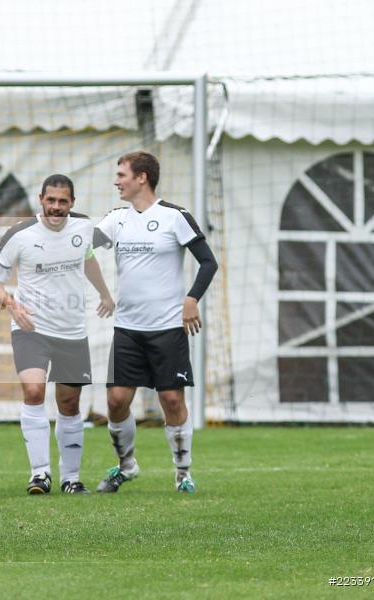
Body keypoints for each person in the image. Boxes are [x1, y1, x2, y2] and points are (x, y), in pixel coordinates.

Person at [93, 151, 218, 494]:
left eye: (122, 174)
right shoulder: (116, 218)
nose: (117, 181)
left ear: (142, 177)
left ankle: (183, 473)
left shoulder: (175, 216)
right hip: (128, 330)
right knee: (116, 401)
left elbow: (208, 263)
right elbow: (86, 249)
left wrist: (191, 299)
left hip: (167, 329)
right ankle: (127, 466)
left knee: (172, 401)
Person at [0, 174, 115, 495]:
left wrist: (105, 294)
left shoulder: (83, 228)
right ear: (41, 199)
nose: (56, 207)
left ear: (73, 203)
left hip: (71, 332)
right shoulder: (20, 234)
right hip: (31, 330)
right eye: (51, 200)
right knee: (33, 391)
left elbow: (88, 259)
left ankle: (70, 479)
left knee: (69, 404)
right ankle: (39, 474)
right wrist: (12, 306)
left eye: (63, 201)